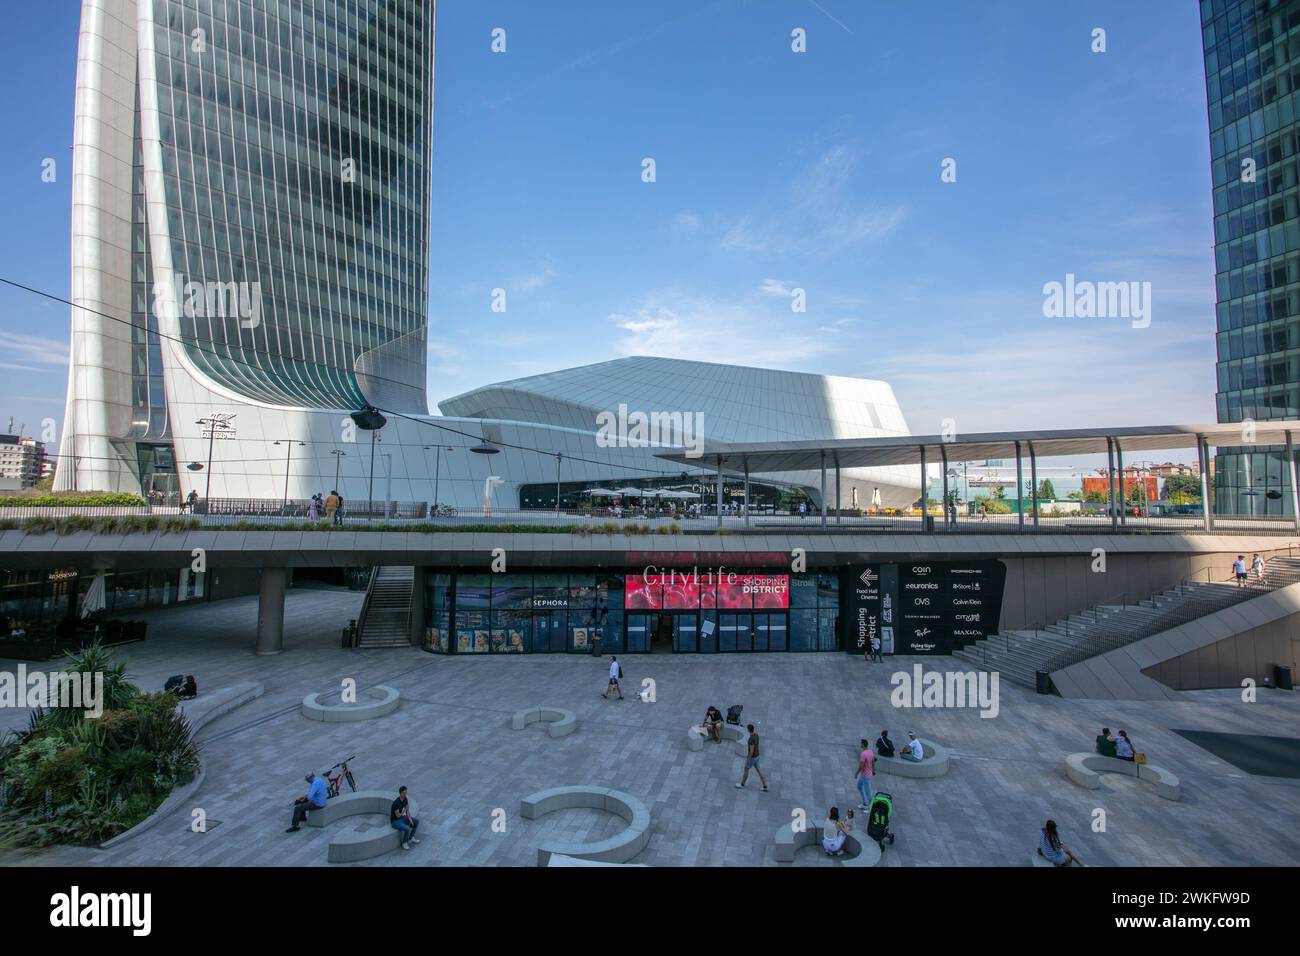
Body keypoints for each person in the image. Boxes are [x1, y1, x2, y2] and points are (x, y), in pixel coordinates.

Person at [735, 723, 769, 791]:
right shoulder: (756, 735)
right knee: (759, 770)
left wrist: (748, 759)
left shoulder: (751, 739)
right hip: (757, 756)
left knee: (746, 769)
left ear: (748, 730)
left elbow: (751, 750)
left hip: (752, 757)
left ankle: (742, 784)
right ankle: (765, 786)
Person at [390, 785, 420, 850]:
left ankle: (411, 838)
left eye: (406, 792)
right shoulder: (396, 803)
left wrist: (410, 820)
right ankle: (404, 843)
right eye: (404, 793)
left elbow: (407, 811)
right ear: (400, 793)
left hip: (403, 818)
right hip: (395, 821)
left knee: (416, 821)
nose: (405, 794)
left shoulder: (405, 799)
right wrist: (404, 810)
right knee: (407, 828)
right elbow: (398, 816)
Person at [855, 738, 875, 810]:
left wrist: (856, 773)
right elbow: (873, 761)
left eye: (860, 743)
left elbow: (861, 765)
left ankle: (870, 808)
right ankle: (864, 803)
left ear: (863, 744)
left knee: (868, 793)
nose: (860, 744)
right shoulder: (871, 752)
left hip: (866, 776)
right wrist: (873, 770)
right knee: (859, 787)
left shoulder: (863, 754)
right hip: (865, 775)